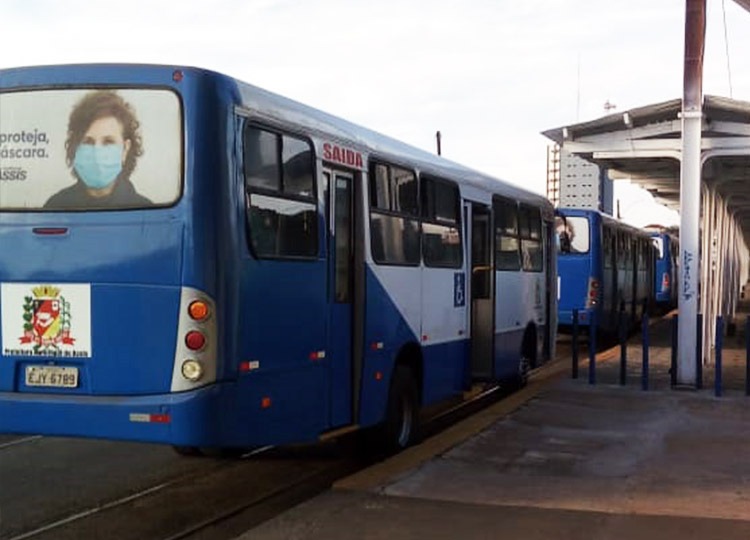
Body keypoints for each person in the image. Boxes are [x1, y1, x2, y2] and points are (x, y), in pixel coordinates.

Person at [44, 91, 151, 209]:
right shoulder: (55, 206)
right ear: (75, 147)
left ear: (125, 149)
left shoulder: (145, 208)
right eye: (88, 141)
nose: (97, 153)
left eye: (108, 141)